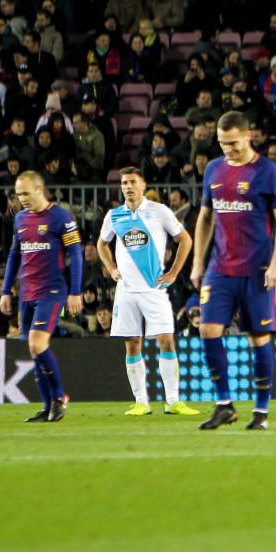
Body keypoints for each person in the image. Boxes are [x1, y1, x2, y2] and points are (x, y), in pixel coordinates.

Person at [190, 112, 276, 431]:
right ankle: (224, 405)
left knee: (258, 338)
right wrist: (197, 261)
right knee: (208, 329)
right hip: (220, 268)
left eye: (233, 143)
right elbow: (206, 217)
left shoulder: (267, 172)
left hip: (256, 269)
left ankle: (260, 412)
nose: (228, 150)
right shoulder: (213, 170)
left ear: (249, 136)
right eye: (222, 144)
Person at [96, 167, 199, 417]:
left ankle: (172, 401)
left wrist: (174, 273)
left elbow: (185, 240)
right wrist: (111, 268)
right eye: (124, 183)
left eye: (132, 182)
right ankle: (141, 402)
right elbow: (101, 243)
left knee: (166, 340)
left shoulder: (159, 211)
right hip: (126, 291)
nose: (128, 186)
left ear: (143, 185)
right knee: (132, 344)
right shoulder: (114, 215)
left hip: (154, 289)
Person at [0, 171, 83, 423]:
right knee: (34, 350)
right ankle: (47, 407)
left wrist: (75, 291)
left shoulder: (61, 217)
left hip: (52, 291)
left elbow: (76, 255)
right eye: (18, 194)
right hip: (27, 294)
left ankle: (59, 397)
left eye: (25, 193)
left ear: (39, 189)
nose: (21, 198)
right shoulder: (20, 219)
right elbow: (15, 255)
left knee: (37, 343)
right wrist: (5, 290)